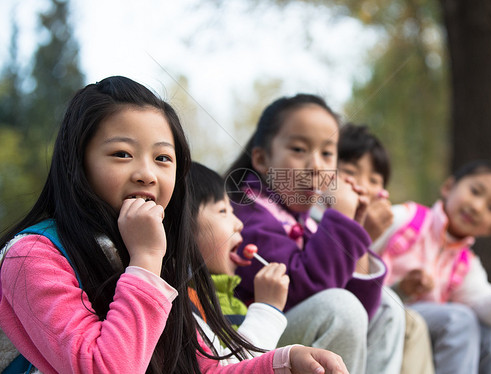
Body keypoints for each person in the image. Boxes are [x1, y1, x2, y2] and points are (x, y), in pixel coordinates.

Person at [0, 76, 349, 374]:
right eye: (122, 154)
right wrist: (146, 260)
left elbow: (203, 369)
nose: (146, 174)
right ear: (77, 162)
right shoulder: (32, 257)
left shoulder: (154, 261)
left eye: (163, 158)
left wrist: (285, 362)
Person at [225, 94, 404, 374]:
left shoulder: (304, 219)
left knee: (389, 310)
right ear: (261, 159)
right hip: (255, 344)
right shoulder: (245, 214)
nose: (317, 166)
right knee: (340, 308)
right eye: (298, 149)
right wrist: (343, 221)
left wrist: (357, 232)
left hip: (295, 335)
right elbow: (306, 292)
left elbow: (361, 315)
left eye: (327, 153)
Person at [371, 159, 491, 374]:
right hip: (382, 312)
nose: (477, 207)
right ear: (448, 187)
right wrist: (402, 287)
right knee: (461, 319)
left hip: (423, 330)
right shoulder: (405, 219)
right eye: (475, 191)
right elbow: (357, 257)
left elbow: (490, 312)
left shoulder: (466, 264)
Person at [335, 123, 434, 374]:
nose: (362, 186)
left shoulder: (374, 229)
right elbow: (340, 294)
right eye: (349, 172)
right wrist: (362, 234)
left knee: (411, 322)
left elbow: (366, 297)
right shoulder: (314, 221)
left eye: (374, 180)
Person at [187, 161, 289, 359]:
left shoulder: (235, 304)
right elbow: (232, 367)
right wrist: (268, 308)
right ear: (184, 228)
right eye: (223, 211)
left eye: (232, 211)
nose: (239, 224)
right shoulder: (187, 307)